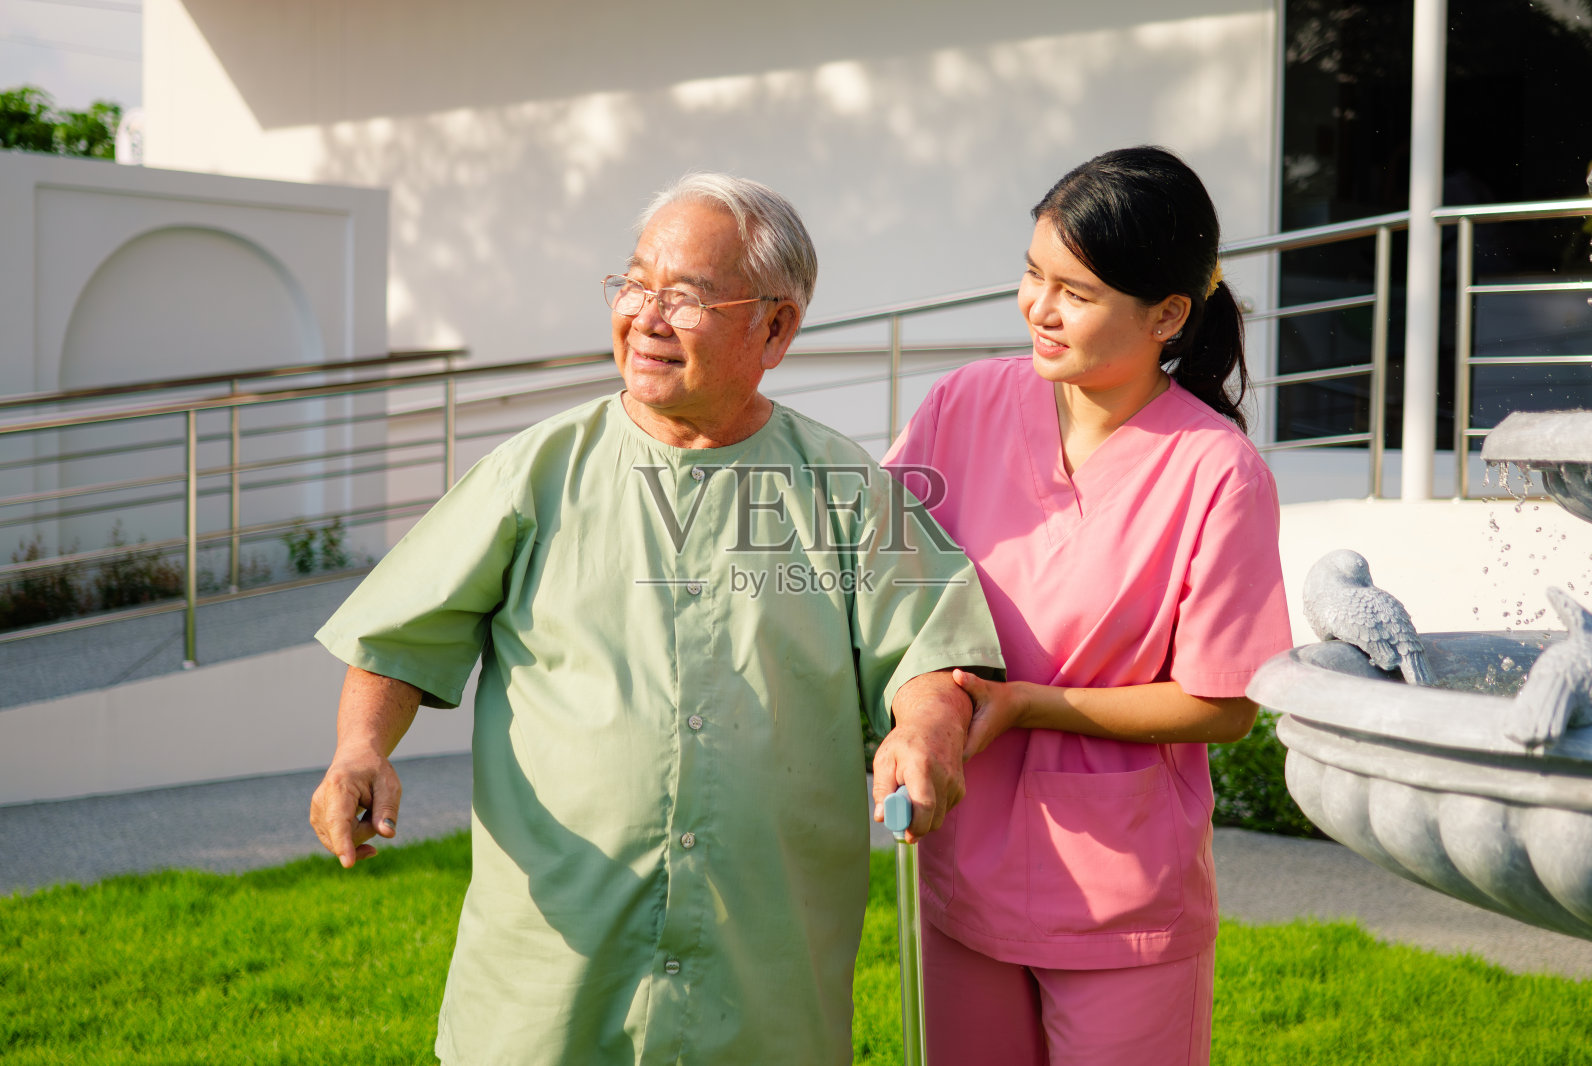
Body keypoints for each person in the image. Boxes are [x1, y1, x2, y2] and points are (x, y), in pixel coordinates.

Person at [307, 173, 1004, 1065]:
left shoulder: (844, 490)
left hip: (761, 976)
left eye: (688, 296)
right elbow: (398, 639)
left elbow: (932, 651)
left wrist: (925, 728)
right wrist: (361, 749)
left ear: (776, 328)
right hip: (553, 972)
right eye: (636, 283)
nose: (646, 315)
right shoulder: (539, 470)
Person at [883, 146, 1292, 1066]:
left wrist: (1030, 704)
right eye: (1033, 274)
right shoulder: (963, 405)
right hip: (963, 870)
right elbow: (882, 580)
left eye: (1076, 290)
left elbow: (1223, 704)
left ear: (1167, 315)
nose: (1039, 307)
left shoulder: (1217, 473)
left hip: (1124, 905)